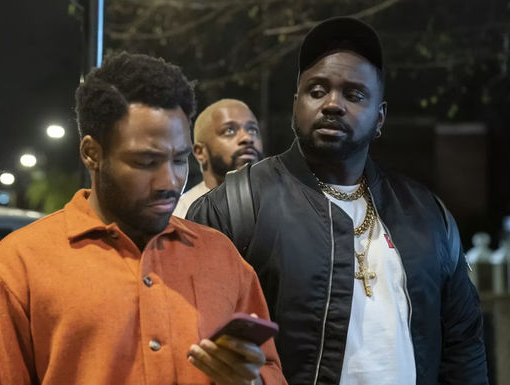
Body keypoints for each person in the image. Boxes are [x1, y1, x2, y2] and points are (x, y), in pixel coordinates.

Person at [187, 16, 487, 385]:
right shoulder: (233, 206)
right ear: (296, 104)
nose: (333, 104)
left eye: (354, 95)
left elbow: (463, 345)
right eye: (317, 90)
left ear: (380, 118)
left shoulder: (426, 214)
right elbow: (193, 343)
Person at [0, 52, 286, 385]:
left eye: (179, 160)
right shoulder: (18, 266)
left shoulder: (224, 258)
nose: (170, 182)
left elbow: (270, 370)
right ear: (92, 153)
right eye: (146, 162)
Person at [173, 99, 263, 218]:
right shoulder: (179, 215)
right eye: (229, 131)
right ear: (200, 152)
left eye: (252, 130)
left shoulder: (280, 203)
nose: (247, 138)